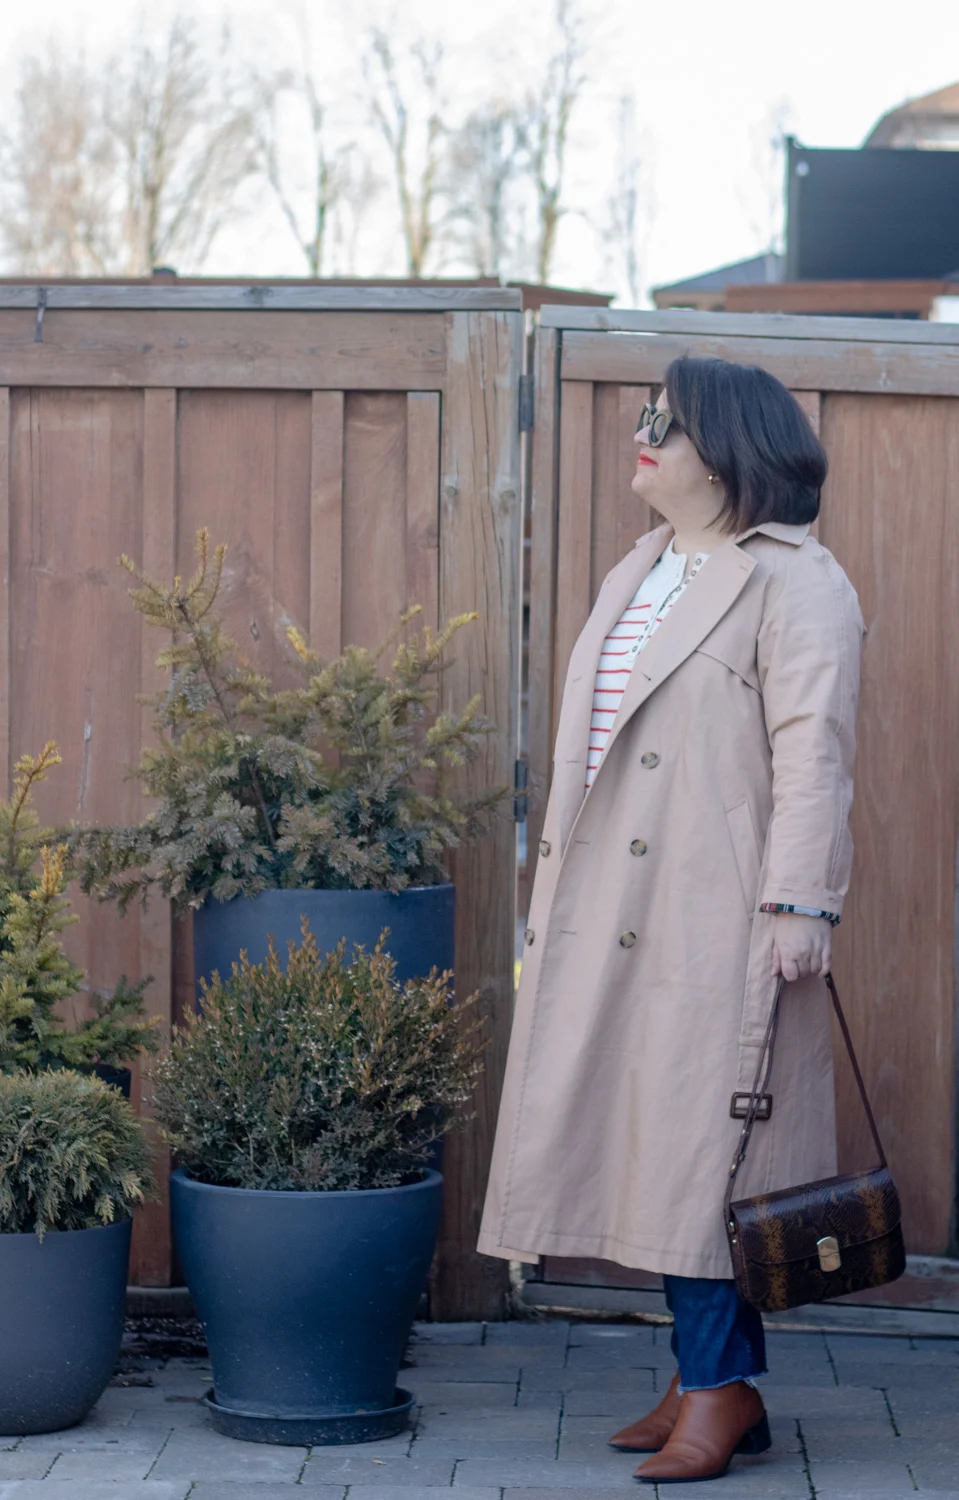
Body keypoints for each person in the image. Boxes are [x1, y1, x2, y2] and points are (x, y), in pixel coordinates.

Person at [477, 355, 865, 1484]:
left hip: (713, 910)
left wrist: (799, 901)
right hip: (608, 907)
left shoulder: (798, 583)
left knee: (702, 1161)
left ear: (728, 446)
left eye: (667, 422)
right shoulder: (638, 566)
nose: (640, 435)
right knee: (647, 1146)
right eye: (642, 416)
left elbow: (815, 758)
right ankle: (714, 1382)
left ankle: (715, 1390)